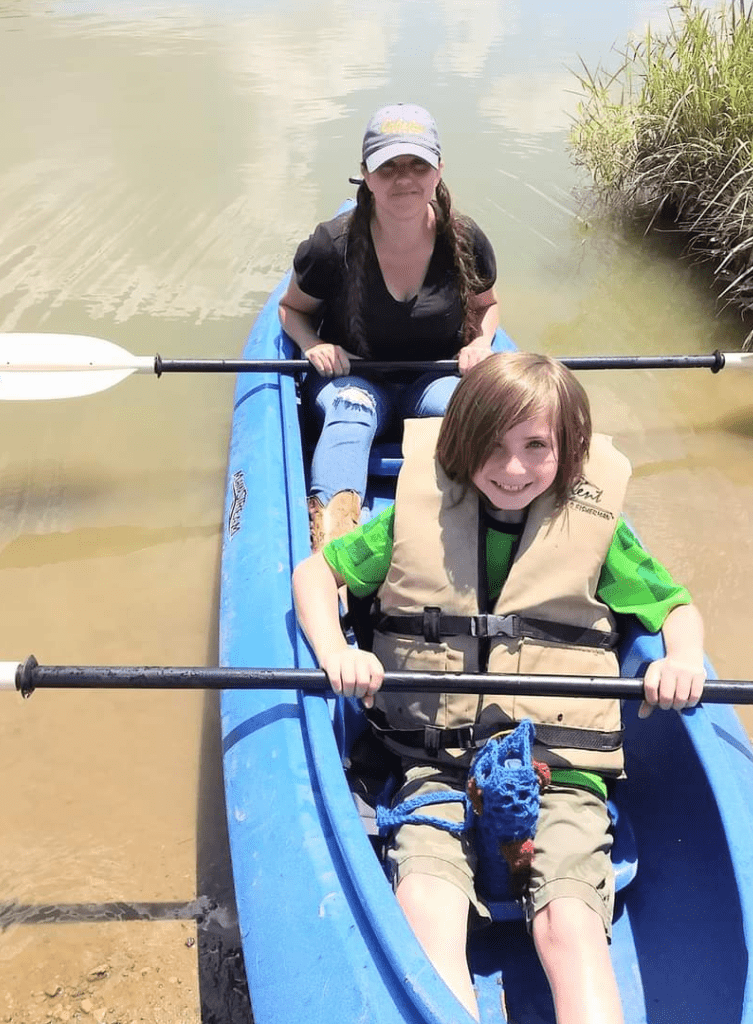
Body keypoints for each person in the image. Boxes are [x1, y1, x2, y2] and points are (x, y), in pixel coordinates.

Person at [292, 352, 707, 1024]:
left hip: (562, 773)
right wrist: (337, 650)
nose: (512, 468)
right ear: (459, 443)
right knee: (427, 905)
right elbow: (316, 578)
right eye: (491, 445)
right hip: (433, 763)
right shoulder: (410, 521)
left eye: (535, 447)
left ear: (568, 449)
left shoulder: (598, 531)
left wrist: (681, 659)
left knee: (568, 924)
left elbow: (677, 608)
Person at [278, 102, 499, 549]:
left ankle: (450, 535)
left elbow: (488, 305)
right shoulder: (331, 245)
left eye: (417, 164)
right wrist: (313, 343)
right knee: (352, 412)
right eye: (388, 166)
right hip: (355, 378)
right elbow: (291, 309)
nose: (404, 179)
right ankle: (336, 540)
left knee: (458, 411)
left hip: (434, 377)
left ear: (438, 170)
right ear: (366, 174)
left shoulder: (465, 239)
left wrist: (482, 342)